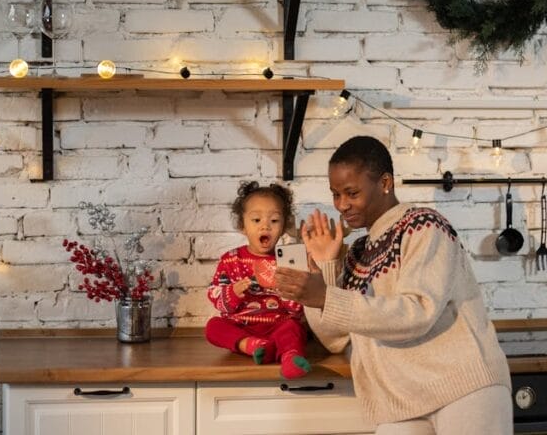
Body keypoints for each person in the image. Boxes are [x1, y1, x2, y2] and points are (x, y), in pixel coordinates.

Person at [274, 136, 512, 434]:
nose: (342, 205)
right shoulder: (357, 252)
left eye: (352, 192)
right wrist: (326, 267)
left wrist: (326, 296)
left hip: (462, 388)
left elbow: (417, 312)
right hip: (399, 398)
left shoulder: (425, 226)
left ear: (385, 182)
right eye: (336, 194)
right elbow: (335, 339)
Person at [205, 181, 311, 380]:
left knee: (294, 328)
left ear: (285, 225)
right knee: (213, 326)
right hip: (242, 326)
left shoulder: (290, 260)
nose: (265, 225)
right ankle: (252, 346)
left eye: (274, 220)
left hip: (278, 324)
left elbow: (298, 308)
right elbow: (215, 296)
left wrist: (285, 290)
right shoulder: (231, 259)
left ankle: (290, 357)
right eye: (256, 220)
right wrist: (233, 292)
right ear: (241, 225)